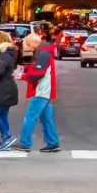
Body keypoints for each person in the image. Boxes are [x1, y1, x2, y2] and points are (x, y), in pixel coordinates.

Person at [11, 24, 60, 153]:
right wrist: (25, 69)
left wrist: (21, 75)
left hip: (41, 90)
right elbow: (36, 67)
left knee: (30, 117)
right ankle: (52, 143)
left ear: (33, 43)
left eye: (27, 44)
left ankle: (25, 143)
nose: (27, 47)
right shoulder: (44, 51)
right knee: (46, 119)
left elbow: (37, 73)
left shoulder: (42, 53)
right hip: (45, 90)